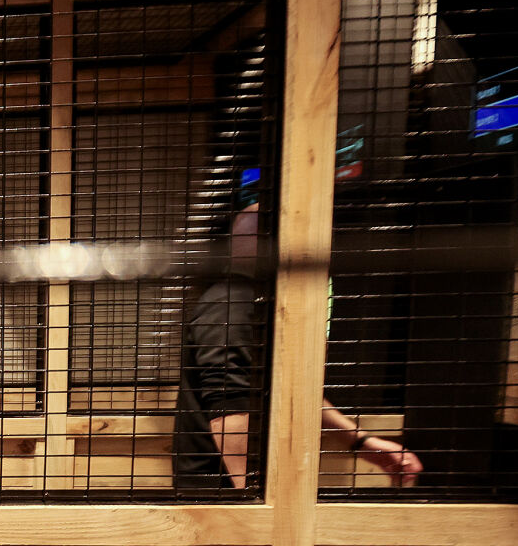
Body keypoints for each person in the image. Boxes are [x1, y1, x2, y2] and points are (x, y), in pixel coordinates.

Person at [173, 207, 423, 492]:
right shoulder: (235, 301)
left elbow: (294, 393)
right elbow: (230, 409)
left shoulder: (259, 301)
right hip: (219, 499)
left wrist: (362, 443)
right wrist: (253, 497)